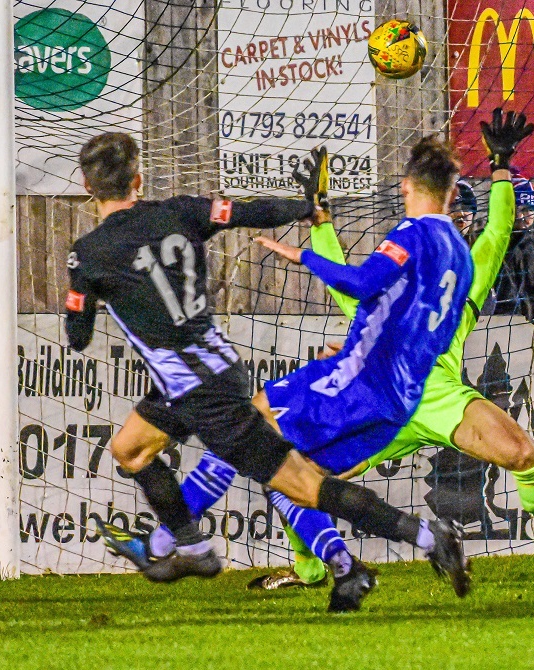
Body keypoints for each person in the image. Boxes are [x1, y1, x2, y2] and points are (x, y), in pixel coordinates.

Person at [156, 111, 534, 590]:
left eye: (460, 218)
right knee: (294, 469)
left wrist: (501, 164)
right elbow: (344, 274)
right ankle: (308, 568)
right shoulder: (390, 278)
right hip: (378, 395)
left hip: (438, 396)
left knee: (523, 454)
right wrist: (321, 216)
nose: (454, 225)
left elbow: (498, 233)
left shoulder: (464, 272)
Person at [66, 129, 477, 612]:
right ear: (138, 179)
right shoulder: (179, 212)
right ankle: (185, 546)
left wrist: (84, 291)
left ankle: (423, 538)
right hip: (220, 375)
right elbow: (245, 212)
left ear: (87, 186)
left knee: (299, 480)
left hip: (233, 389)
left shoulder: (88, 253)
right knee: (132, 449)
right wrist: (304, 209)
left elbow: (77, 336)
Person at [483, 170, 534, 337]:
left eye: (528, 209)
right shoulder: (489, 244)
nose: (523, 216)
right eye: (518, 209)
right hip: (495, 327)